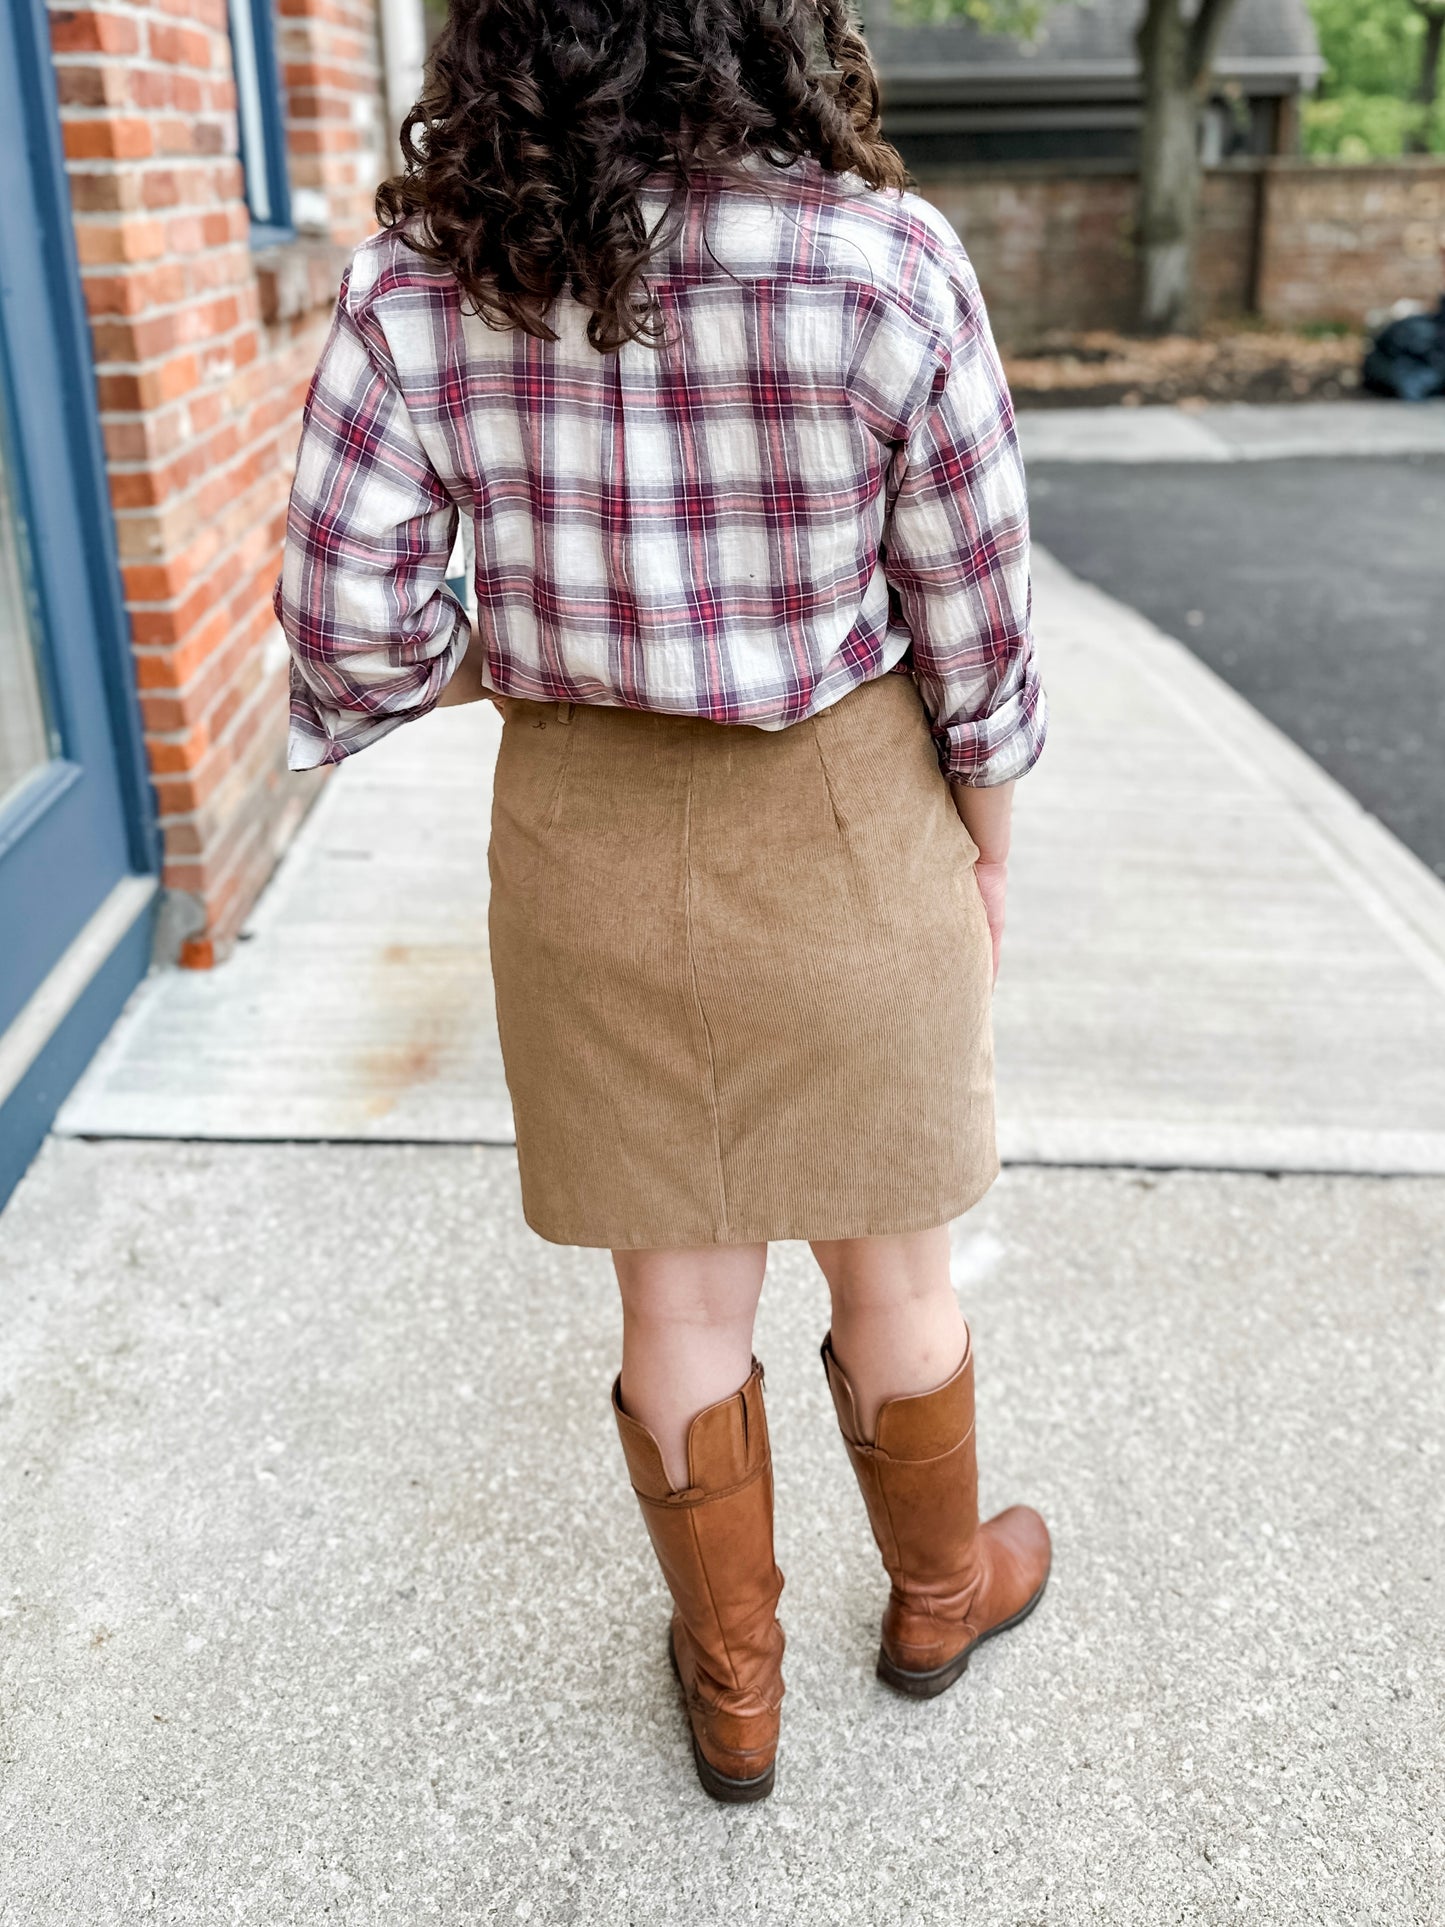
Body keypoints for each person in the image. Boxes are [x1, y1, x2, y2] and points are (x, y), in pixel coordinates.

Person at [276, 0, 1050, 1805]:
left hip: (583, 842)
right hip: (853, 817)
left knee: (678, 1307)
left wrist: (518, 652)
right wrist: (988, 838)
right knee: (896, 1265)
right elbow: (978, 610)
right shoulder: (886, 262)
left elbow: (345, 623)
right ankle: (939, 1596)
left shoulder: (420, 283)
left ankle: (736, 1691)